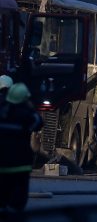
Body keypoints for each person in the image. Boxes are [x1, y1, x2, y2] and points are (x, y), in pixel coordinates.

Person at [0, 83, 43, 211]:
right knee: (17, 204)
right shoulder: (27, 115)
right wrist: (30, 107)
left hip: (2, 165)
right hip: (21, 165)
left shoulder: (2, 112)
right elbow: (38, 123)